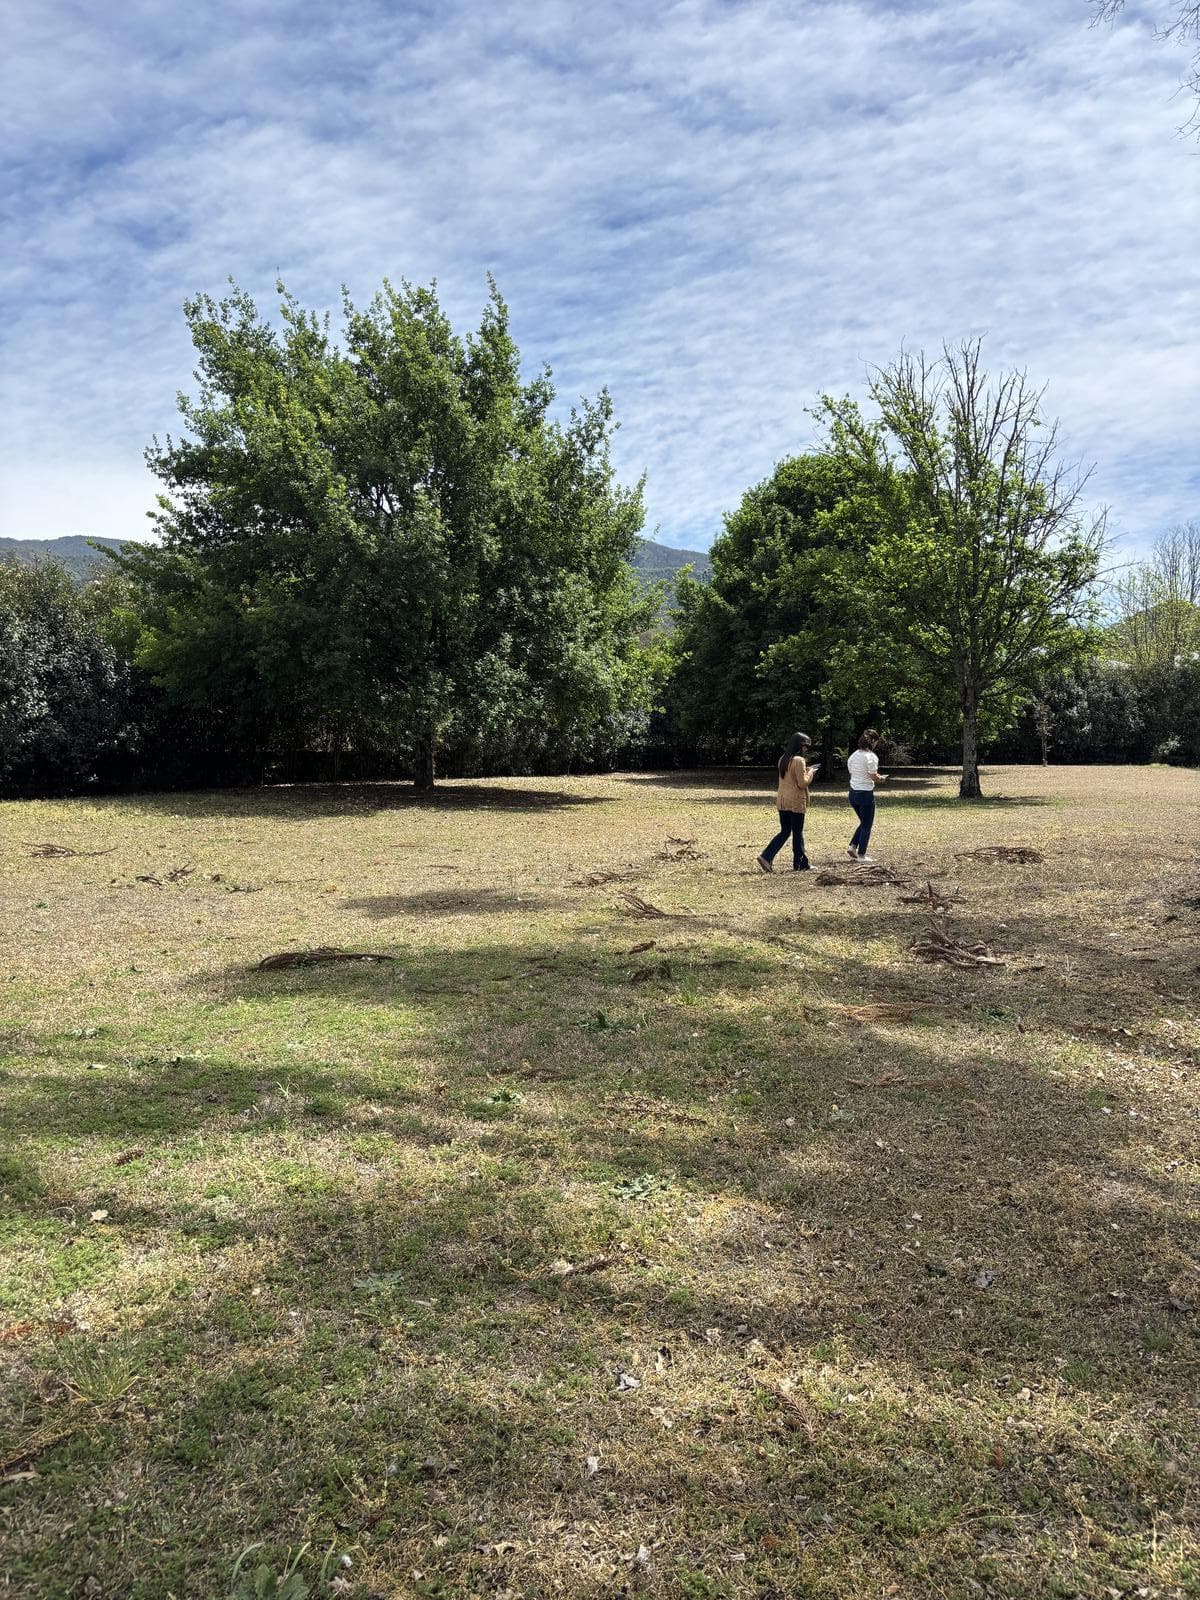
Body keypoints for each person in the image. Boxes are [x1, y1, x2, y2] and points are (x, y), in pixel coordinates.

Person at [757, 733, 819, 873]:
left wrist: (806, 771)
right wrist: (811, 773)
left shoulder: (782, 759)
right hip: (796, 802)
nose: (807, 749)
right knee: (797, 832)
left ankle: (766, 856)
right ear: (799, 745)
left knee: (785, 831)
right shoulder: (799, 760)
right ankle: (801, 864)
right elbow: (802, 783)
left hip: (783, 801)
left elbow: (791, 777)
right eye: (806, 746)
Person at [846, 728, 887, 862]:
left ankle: (853, 846)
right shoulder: (871, 757)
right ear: (873, 742)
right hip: (865, 794)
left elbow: (851, 771)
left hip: (853, 793)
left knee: (864, 822)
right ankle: (862, 855)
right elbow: (872, 776)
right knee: (867, 824)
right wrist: (880, 778)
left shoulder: (854, 755)